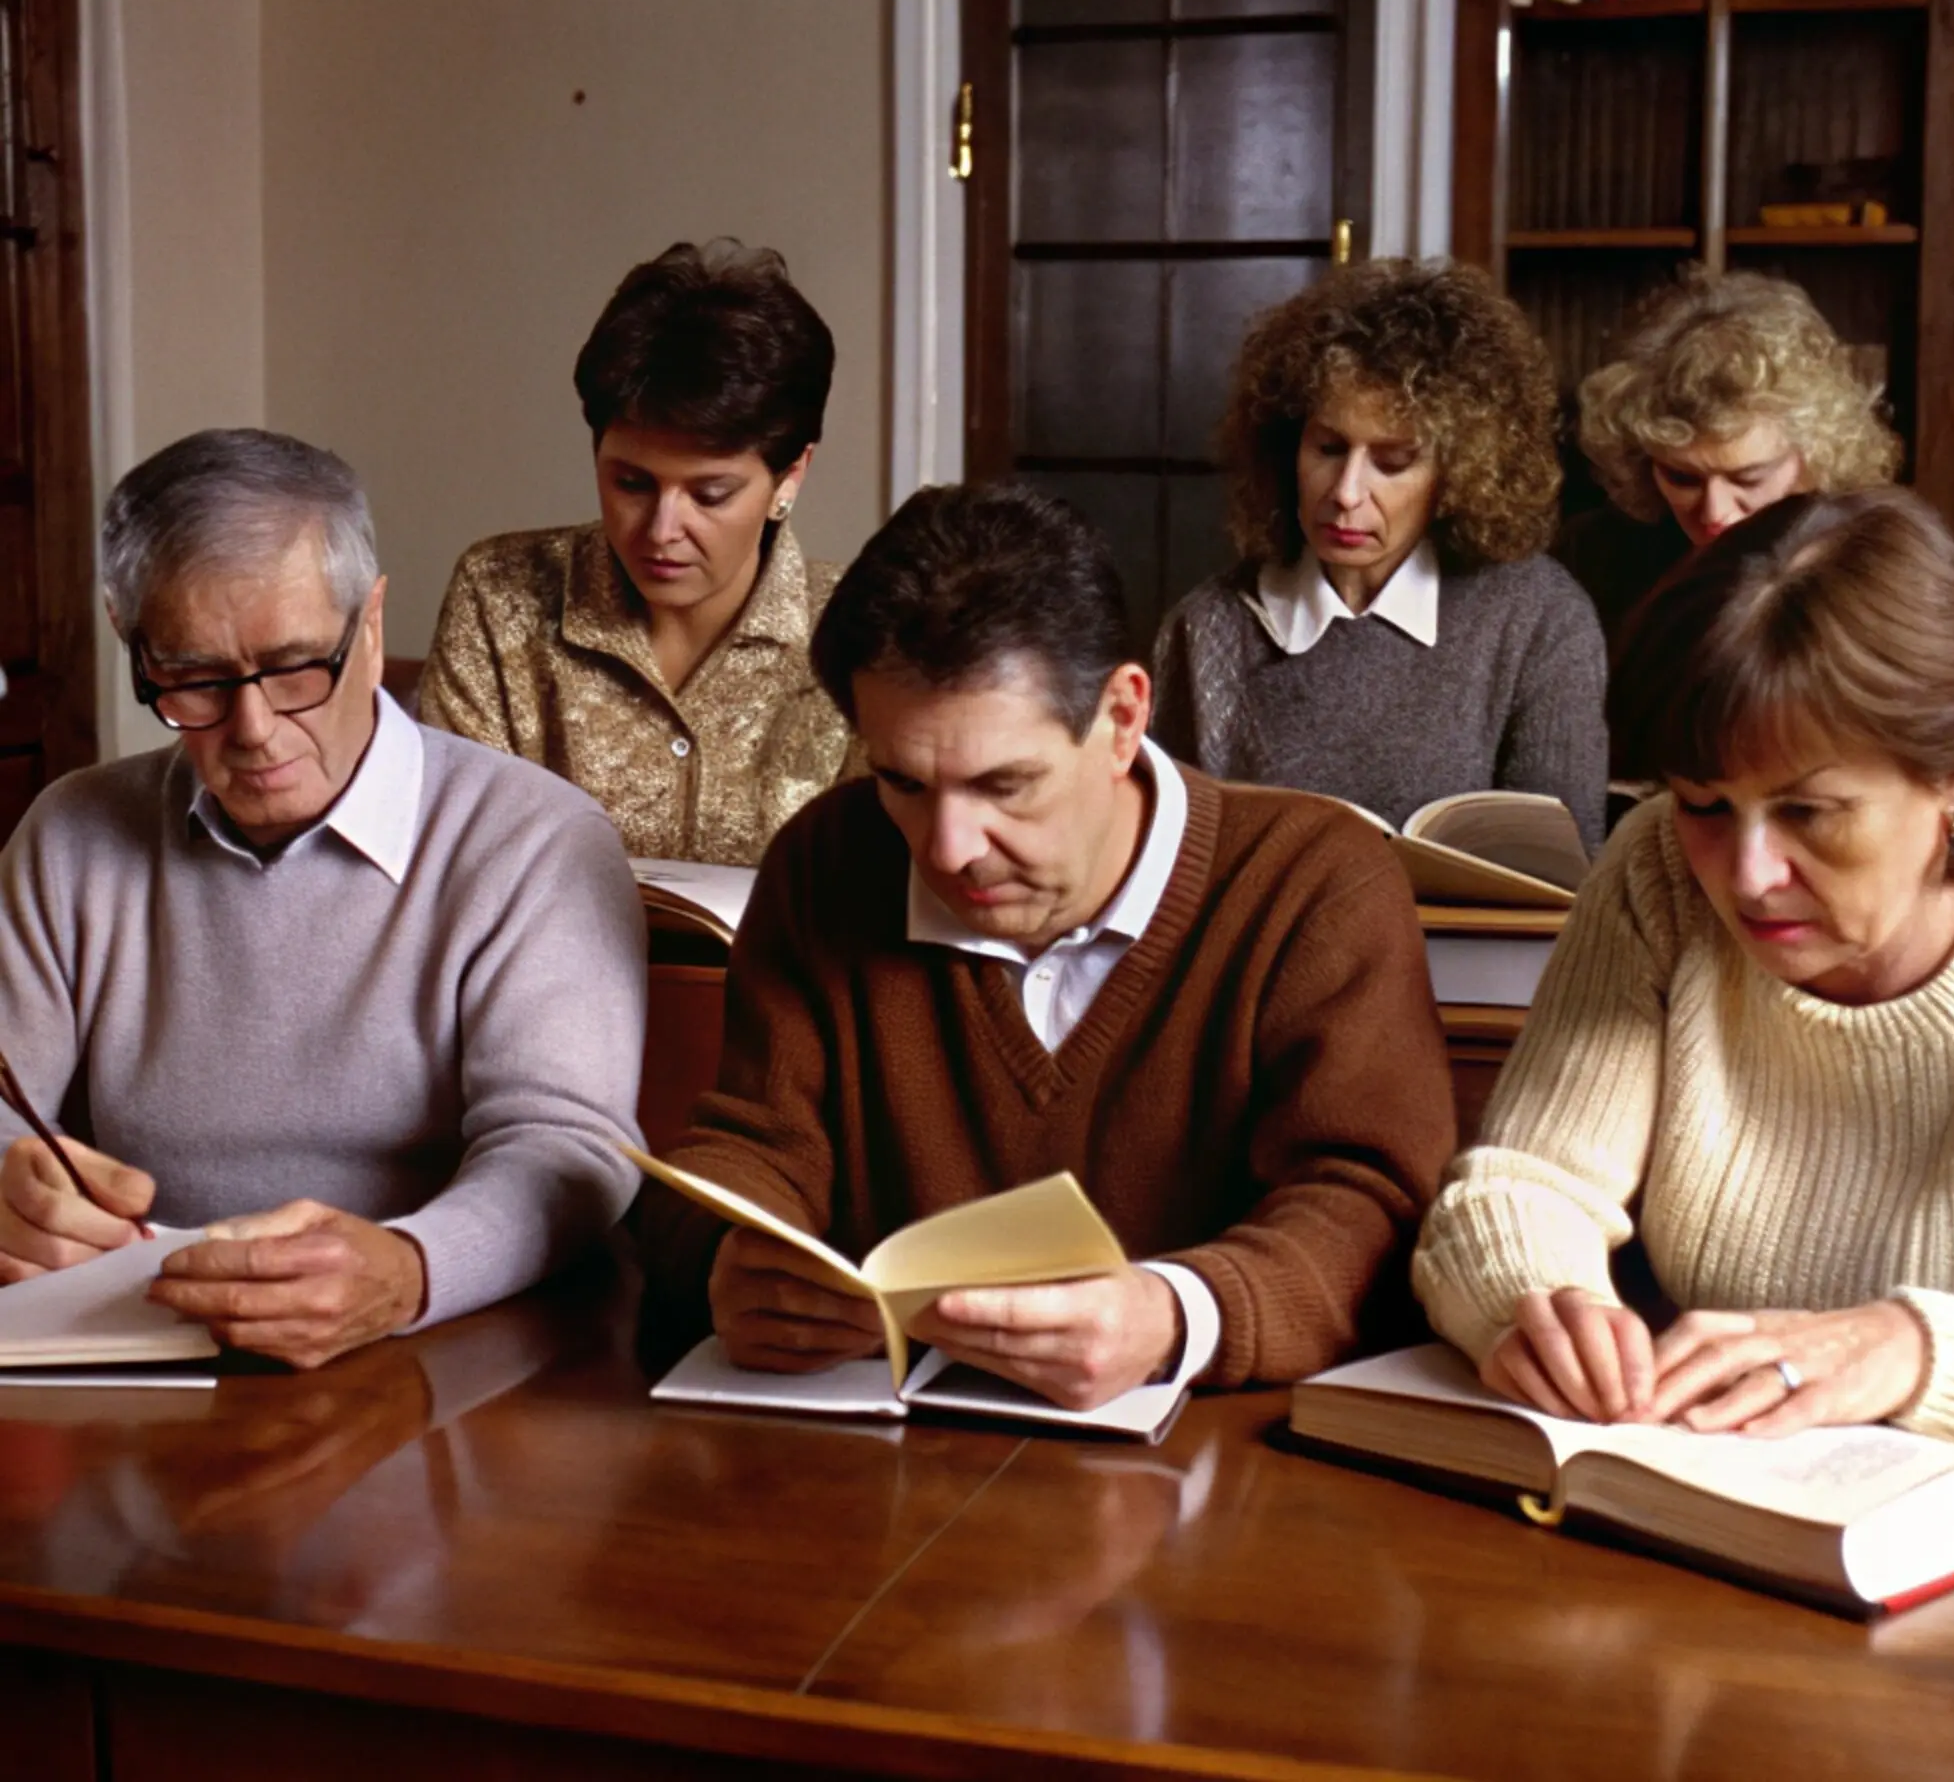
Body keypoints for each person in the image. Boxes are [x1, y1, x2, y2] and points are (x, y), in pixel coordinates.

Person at [635, 482, 1456, 1407]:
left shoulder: (1313, 881)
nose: (948, 849)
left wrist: (1176, 1315)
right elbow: (750, 1147)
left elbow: (1375, 1207)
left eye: (1006, 785)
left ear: (1122, 719)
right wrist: (727, 1264)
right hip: (866, 1458)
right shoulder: (827, 860)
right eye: (902, 782)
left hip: (1222, 1474)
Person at [1413, 488, 1954, 1457]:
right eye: (1705, 801)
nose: (1745, 878)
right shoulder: (1655, 869)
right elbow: (1527, 1179)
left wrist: (1907, 1347)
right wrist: (1540, 1304)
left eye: (1807, 811)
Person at [0, 430, 647, 1368]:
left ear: (372, 622)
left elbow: (566, 1152)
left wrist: (411, 1270)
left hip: (434, 1355)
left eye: (298, 667)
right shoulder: (71, 833)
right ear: (130, 644)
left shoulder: (532, 841)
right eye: (194, 680)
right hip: (135, 1347)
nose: (254, 730)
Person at [418, 239, 856, 865]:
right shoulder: (499, 595)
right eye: (631, 484)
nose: (661, 530)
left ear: (790, 477)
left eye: (710, 495)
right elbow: (459, 856)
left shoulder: (856, 629)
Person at [1151, 257, 1607, 853]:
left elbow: (1563, 883)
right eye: (1329, 448)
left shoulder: (1540, 619)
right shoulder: (1208, 626)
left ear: (1459, 474)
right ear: (1289, 447)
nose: (1345, 493)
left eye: (1393, 463)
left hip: (1467, 948)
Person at [1559, 266, 1901, 642]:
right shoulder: (1590, 560)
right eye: (1682, 477)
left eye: (1748, 478)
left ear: (1814, 455)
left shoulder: (1877, 566)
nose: (1714, 511)